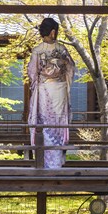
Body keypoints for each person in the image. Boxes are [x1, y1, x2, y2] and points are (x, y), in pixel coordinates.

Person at [27, 18, 75, 168]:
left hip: (43, 91)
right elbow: (71, 68)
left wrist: (39, 84)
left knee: (44, 123)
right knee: (58, 123)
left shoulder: (37, 51)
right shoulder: (61, 49)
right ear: (53, 32)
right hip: (59, 90)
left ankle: (44, 161)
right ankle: (57, 161)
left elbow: (32, 74)